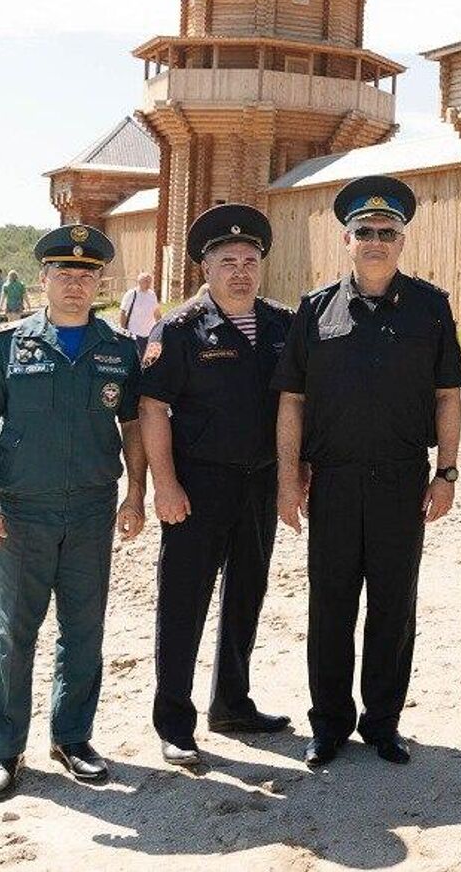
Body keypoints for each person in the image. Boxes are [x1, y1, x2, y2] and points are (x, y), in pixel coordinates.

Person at [274, 176, 461, 768]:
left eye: (387, 232)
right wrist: (287, 481)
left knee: (392, 605)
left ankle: (383, 723)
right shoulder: (313, 309)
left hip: (401, 483)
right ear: (346, 240)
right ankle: (329, 724)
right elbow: (292, 403)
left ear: (402, 241)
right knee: (329, 607)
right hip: (330, 483)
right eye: (365, 232)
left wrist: (447, 473)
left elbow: (447, 397)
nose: (376, 240)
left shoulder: (431, 307)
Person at [0, 225, 146, 803]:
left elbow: (134, 426)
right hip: (23, 514)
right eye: (64, 273)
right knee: (14, 634)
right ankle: (4, 750)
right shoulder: (8, 344)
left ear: (100, 281)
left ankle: (71, 738)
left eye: (86, 274)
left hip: (92, 511)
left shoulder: (117, 349)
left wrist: (135, 494)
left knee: (84, 632)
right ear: (43, 279)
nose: (75, 283)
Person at [138, 206, 294, 768]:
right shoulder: (178, 329)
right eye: (227, 261)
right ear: (205, 267)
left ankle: (231, 702)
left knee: (246, 595)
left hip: (259, 482)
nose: (240, 271)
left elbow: (296, 407)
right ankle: (175, 723)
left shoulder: (282, 325)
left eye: (250, 260)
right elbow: (153, 407)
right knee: (184, 601)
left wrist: (293, 475)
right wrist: (166, 484)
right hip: (197, 485)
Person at [120, 271, 161, 358]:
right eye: (146, 281)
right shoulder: (131, 294)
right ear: (139, 282)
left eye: (149, 281)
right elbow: (123, 313)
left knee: (147, 359)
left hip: (149, 334)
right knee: (135, 358)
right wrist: (123, 330)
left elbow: (156, 313)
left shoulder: (152, 295)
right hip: (134, 333)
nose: (148, 284)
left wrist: (160, 328)